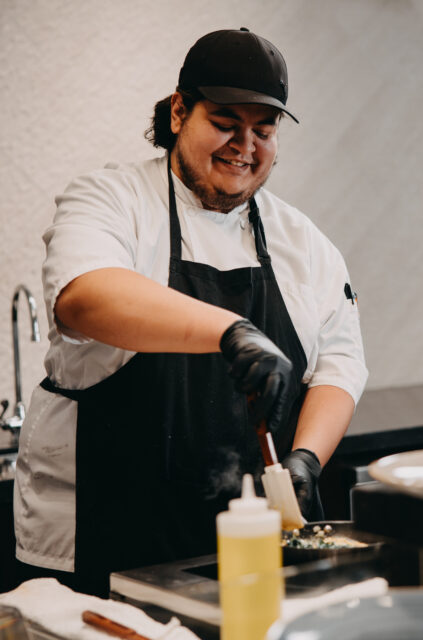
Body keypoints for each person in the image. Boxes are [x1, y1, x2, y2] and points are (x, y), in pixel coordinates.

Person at [13, 27, 367, 596]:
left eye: (264, 130)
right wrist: (230, 330)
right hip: (111, 536)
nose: (244, 146)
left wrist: (305, 460)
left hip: (249, 547)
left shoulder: (304, 243)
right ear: (179, 111)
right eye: (225, 122)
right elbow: (85, 297)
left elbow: (339, 366)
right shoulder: (111, 200)